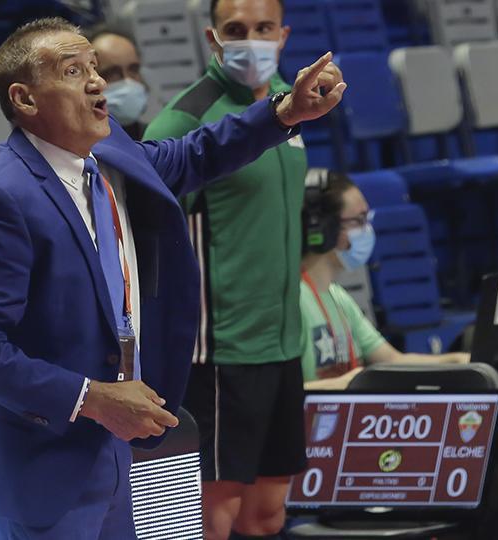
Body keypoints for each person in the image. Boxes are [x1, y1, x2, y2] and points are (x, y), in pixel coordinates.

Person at [0, 16, 345, 540]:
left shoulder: (109, 158)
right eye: (72, 70)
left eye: (93, 67)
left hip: (111, 446)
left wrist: (285, 112)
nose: (97, 81)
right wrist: (95, 398)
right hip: (40, 460)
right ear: (24, 99)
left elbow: (194, 153)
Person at [143, 0, 334, 538]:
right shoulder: (183, 118)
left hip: (281, 344)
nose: (251, 38)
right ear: (213, 38)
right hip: (221, 351)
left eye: (263, 27)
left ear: (283, 34)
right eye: (235, 29)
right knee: (215, 514)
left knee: (269, 510)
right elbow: (143, 231)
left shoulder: (292, 107)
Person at [0, 25, 153, 241]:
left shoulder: (154, 136)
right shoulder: (54, 146)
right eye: (111, 72)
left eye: (133, 70)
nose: (118, 82)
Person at [299, 169, 469, 391]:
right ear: (323, 228)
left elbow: (392, 361)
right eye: (358, 220)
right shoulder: (292, 300)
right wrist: (343, 386)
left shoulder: (338, 297)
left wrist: (456, 362)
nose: (367, 230)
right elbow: (277, 396)